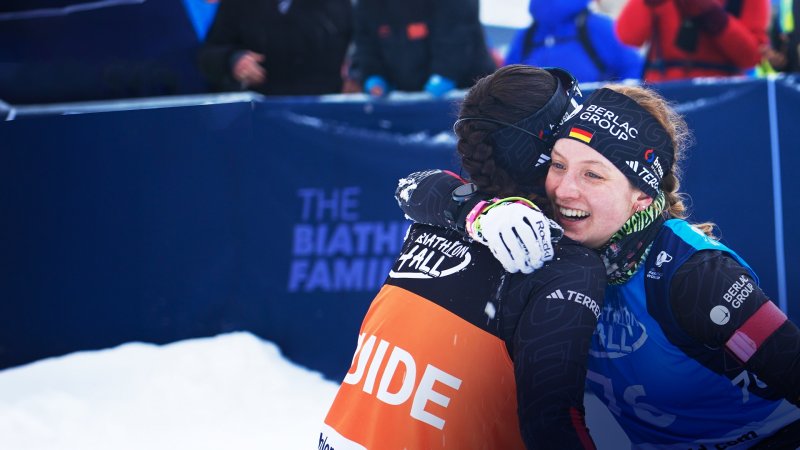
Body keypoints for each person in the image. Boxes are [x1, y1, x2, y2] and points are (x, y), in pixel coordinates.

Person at [395, 85, 800, 448]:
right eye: (558, 164)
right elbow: (415, 188)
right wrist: (478, 211)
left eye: (593, 174)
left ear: (641, 197)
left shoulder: (693, 272)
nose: (564, 189)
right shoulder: (555, 229)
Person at [320, 65, 606, 449]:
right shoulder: (562, 265)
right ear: (546, 156)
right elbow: (554, 427)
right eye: (574, 140)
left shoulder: (438, 219)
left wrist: (472, 210)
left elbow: (415, 186)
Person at [196, 0, 352, 96]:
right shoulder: (239, 4)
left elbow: (360, 49)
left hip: (320, 115)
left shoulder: (337, 4)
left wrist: (355, 75)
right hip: (261, 117)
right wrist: (233, 61)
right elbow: (209, 55)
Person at [350, 0, 496, 98]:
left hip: (464, 91)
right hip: (404, 94)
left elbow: (458, 34)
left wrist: (445, 75)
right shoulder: (368, 5)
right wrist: (373, 74)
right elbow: (366, 41)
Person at [615, 0, 770, 82]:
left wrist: (712, 14)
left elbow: (752, 57)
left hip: (722, 96)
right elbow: (628, 37)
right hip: (662, 99)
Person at [504, 0, 643, 83]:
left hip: (589, 126)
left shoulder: (600, 28)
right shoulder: (526, 37)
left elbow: (633, 74)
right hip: (592, 126)